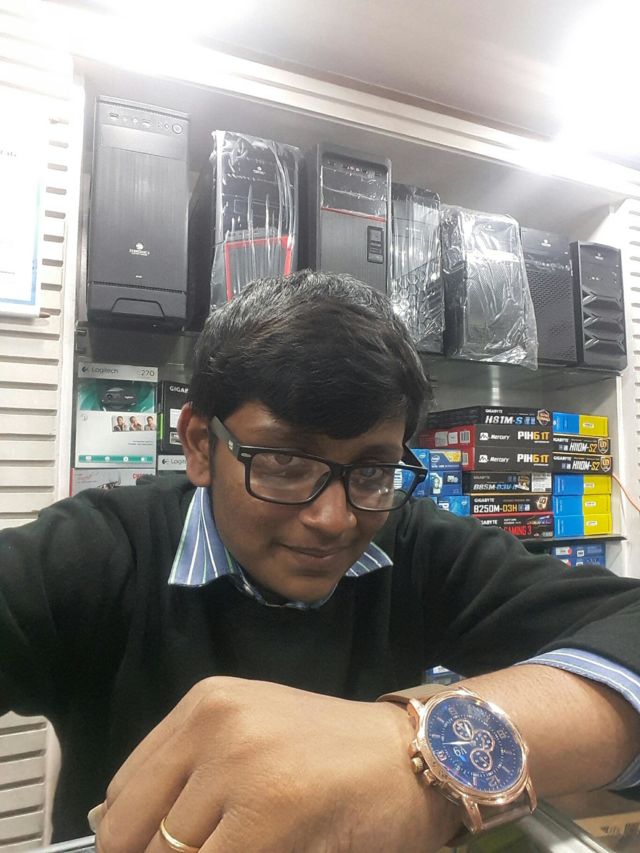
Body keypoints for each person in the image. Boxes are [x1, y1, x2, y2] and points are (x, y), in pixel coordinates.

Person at [1, 271, 640, 852]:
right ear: (199, 445)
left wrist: (415, 746)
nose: (334, 519)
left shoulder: (417, 546)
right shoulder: (98, 551)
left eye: (373, 470)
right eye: (283, 462)